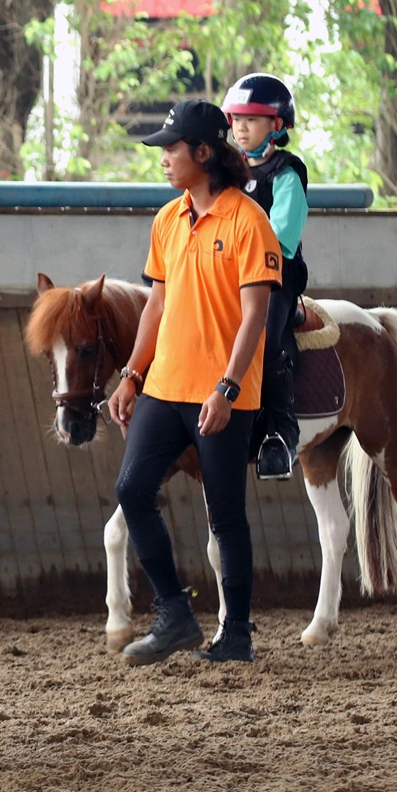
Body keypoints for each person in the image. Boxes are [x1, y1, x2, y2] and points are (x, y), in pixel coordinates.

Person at [107, 101, 281, 665]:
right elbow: (156, 303)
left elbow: (255, 313)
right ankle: (175, 613)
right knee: (132, 490)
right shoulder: (167, 219)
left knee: (224, 514)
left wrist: (228, 389)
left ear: (202, 153)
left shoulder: (246, 220)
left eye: (171, 148)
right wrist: (133, 373)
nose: (162, 158)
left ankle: (236, 636)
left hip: (221, 394)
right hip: (164, 385)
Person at [223, 74, 309, 481]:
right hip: (229, 275)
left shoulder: (286, 175)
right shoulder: (226, 175)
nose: (241, 127)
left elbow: (280, 239)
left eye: (252, 120)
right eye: (236, 118)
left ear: (276, 125)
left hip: (273, 277)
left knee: (267, 337)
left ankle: (280, 435)